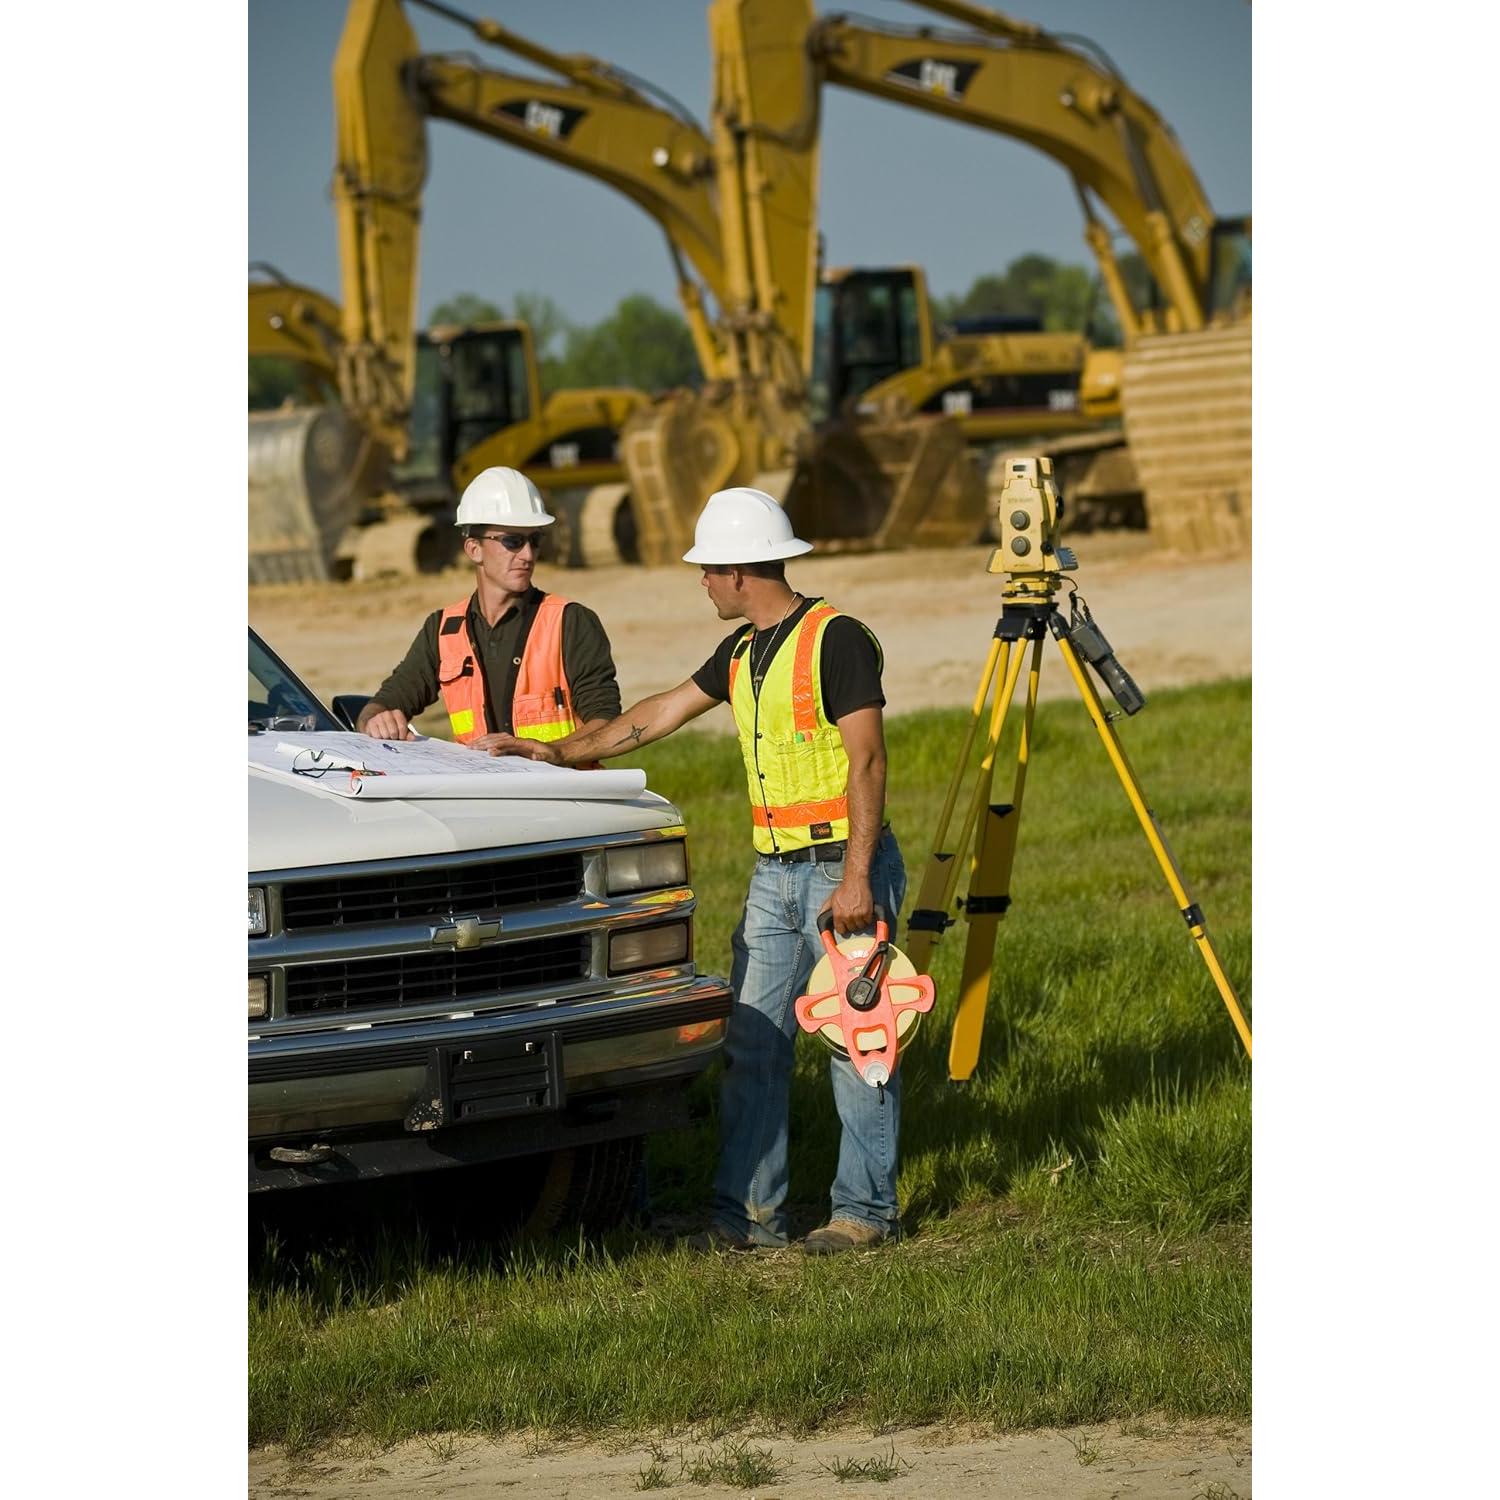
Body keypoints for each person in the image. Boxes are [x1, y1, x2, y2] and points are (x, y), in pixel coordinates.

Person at [485, 486, 907, 1256]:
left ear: (739, 570)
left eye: (708, 570)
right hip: (774, 876)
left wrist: (855, 880)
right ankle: (748, 1217)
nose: (702, 583)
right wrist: (551, 753)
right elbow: (656, 714)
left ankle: (863, 1213)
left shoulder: (837, 639)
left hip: (840, 871)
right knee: (753, 1043)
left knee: (858, 1043)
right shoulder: (743, 650)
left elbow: (868, 760)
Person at [357, 467, 621, 750]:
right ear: (474, 549)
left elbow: (606, 726)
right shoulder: (444, 629)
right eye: (513, 542)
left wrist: (547, 752)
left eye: (535, 540)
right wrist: (376, 721)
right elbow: (379, 707)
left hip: (563, 788)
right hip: (483, 791)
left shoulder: (570, 621)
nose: (528, 555)